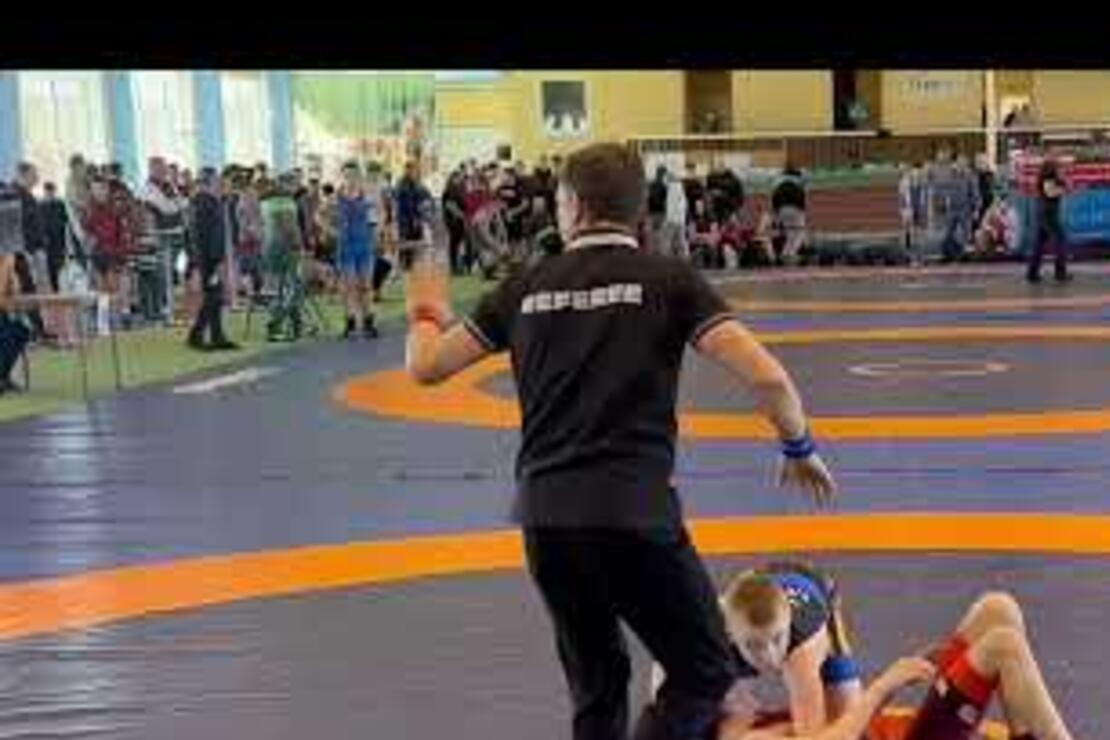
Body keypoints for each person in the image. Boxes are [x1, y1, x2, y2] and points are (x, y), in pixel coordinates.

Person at [403, 142, 836, 740]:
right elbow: (768, 378)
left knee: (597, 686)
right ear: (636, 211)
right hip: (633, 511)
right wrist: (798, 446)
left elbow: (425, 367)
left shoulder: (523, 287)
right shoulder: (668, 280)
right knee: (705, 672)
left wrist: (425, 309)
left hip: (547, 518)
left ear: (574, 206)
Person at [711, 591, 1073, 740]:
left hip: (893, 734)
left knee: (998, 609)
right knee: (1004, 646)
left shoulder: (744, 714)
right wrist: (886, 685)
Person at [650, 562, 861, 737]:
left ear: (788, 623)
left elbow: (813, 735)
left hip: (811, 589)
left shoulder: (804, 648)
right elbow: (662, 682)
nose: (770, 656)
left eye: (776, 640)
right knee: (691, 722)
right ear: (731, 634)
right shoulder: (708, 639)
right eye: (755, 645)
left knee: (847, 722)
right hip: (753, 588)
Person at [186, 168, 239, 351]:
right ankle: (197, 335)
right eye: (217, 181)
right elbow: (206, 235)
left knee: (215, 297)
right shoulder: (205, 203)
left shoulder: (205, 202)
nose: (220, 185)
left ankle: (216, 335)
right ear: (208, 183)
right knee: (212, 297)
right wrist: (216, 261)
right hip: (208, 258)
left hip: (208, 257)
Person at [335, 162, 379, 339]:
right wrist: (332, 231)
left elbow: (380, 212)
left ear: (359, 177)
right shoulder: (337, 197)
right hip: (346, 247)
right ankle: (350, 322)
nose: (350, 179)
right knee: (349, 287)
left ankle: (369, 322)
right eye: (347, 176)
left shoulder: (366, 196)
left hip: (364, 246)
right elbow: (318, 215)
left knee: (366, 286)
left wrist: (377, 230)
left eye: (354, 175)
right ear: (342, 177)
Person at [1028, 158, 1069, 284]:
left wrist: (1063, 184)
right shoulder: (1048, 177)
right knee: (1060, 241)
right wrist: (1063, 189)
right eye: (1057, 168)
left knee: (1039, 244)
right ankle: (1060, 273)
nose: (1059, 170)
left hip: (1044, 213)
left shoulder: (1047, 178)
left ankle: (1032, 273)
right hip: (1048, 214)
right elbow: (1050, 193)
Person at [0, 253, 31, 395]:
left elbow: (16, 290)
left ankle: (3, 376)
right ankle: (2, 377)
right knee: (8, 335)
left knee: (21, 331)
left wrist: (11, 274)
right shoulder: (6, 263)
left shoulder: (6, 263)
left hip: (4, 313)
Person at [898, 163, 928, 265]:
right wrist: (903, 211)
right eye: (914, 174)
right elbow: (901, 198)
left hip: (920, 211)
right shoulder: (904, 183)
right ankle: (909, 256)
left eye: (918, 174)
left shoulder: (924, 185)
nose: (916, 176)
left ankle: (921, 256)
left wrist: (925, 213)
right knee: (910, 235)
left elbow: (927, 199)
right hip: (909, 211)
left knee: (920, 235)